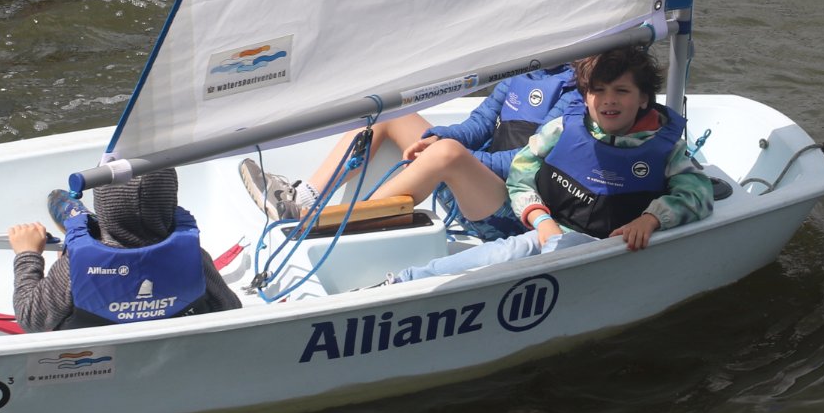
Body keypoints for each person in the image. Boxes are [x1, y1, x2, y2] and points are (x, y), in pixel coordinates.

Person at [382, 44, 715, 284]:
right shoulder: (563, 129)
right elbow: (521, 173)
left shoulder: (664, 147)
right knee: (501, 254)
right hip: (548, 229)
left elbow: (697, 192)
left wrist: (651, 219)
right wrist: (540, 219)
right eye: (598, 90)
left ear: (643, 98)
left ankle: (403, 278)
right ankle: (403, 281)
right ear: (586, 96)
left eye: (622, 91)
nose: (609, 100)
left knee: (513, 253)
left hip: (601, 246)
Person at [239, 62, 584, 241]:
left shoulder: (578, 92)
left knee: (448, 154)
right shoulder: (526, 71)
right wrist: (435, 137)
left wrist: (448, 153)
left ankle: (320, 226)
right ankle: (304, 200)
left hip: (517, 212)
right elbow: (477, 125)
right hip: (472, 188)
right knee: (391, 113)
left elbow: (525, 161)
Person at [7, 168, 239, 331]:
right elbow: (230, 308)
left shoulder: (73, 267)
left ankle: (82, 222)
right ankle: (85, 223)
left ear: (102, 204)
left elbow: (30, 320)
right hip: (168, 348)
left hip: (97, 354)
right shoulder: (194, 257)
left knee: (72, 238)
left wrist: (28, 255)